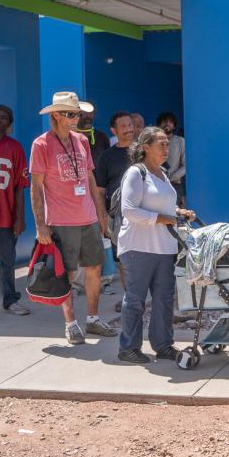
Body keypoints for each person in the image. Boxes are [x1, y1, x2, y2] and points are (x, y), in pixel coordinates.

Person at [30, 92, 116, 344]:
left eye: (78, 113)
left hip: (87, 217)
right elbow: (36, 188)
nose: (76, 117)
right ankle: (71, 323)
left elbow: (90, 179)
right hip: (60, 220)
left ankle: (92, 318)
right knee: (65, 273)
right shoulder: (41, 144)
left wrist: (101, 215)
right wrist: (40, 225)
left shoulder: (80, 140)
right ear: (56, 115)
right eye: (71, 113)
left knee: (95, 268)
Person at [116, 127, 195, 363]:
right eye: (160, 144)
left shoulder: (161, 173)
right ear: (144, 147)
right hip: (138, 247)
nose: (165, 148)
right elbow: (129, 210)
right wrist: (164, 219)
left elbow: (163, 207)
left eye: (167, 144)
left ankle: (163, 345)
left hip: (164, 247)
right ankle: (128, 348)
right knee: (136, 299)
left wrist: (179, 212)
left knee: (164, 298)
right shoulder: (135, 173)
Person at [95, 111, 135, 312]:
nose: (129, 129)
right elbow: (100, 190)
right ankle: (130, 298)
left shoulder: (145, 151)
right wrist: (103, 218)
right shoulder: (106, 157)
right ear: (114, 131)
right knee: (124, 260)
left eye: (130, 125)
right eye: (123, 126)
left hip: (148, 216)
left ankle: (151, 298)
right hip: (118, 218)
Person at [0, 105, 30, 316]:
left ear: (9, 124)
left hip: (5, 215)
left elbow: (19, 185)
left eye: (5, 117)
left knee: (8, 259)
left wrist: (20, 217)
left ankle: (10, 299)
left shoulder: (15, 148)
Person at [157, 111, 186, 206]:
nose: (167, 124)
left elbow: (185, 166)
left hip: (175, 185)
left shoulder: (180, 141)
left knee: (175, 214)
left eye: (170, 122)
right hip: (156, 185)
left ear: (174, 126)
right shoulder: (153, 142)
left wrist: (170, 177)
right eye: (164, 122)